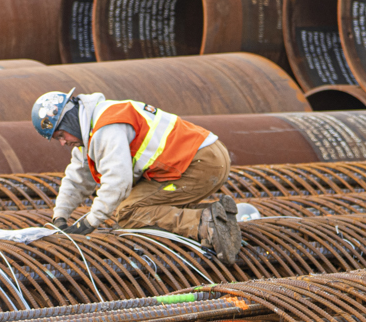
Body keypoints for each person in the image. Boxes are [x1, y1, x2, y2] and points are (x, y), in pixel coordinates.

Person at [33, 88, 243, 261]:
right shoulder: (93, 126)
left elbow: (118, 182)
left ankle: (205, 224)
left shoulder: (106, 127)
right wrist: (59, 216)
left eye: (61, 135)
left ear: (69, 119)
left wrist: (90, 222)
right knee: (146, 205)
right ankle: (217, 215)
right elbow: (77, 177)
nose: (62, 142)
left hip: (197, 164)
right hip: (204, 156)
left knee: (127, 212)